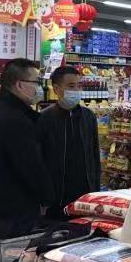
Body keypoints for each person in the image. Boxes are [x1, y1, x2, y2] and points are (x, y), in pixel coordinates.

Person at [0, 58, 53, 262]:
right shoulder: (14, 119)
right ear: (19, 85)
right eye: (36, 82)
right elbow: (30, 166)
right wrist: (47, 197)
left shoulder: (2, 110)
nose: (39, 88)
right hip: (10, 213)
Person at [37, 66, 101, 218]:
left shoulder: (88, 117)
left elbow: (94, 156)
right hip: (56, 198)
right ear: (57, 89)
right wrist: (42, 198)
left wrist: (96, 192)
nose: (77, 90)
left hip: (85, 196)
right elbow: (39, 161)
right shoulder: (43, 118)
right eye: (71, 86)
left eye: (79, 86)